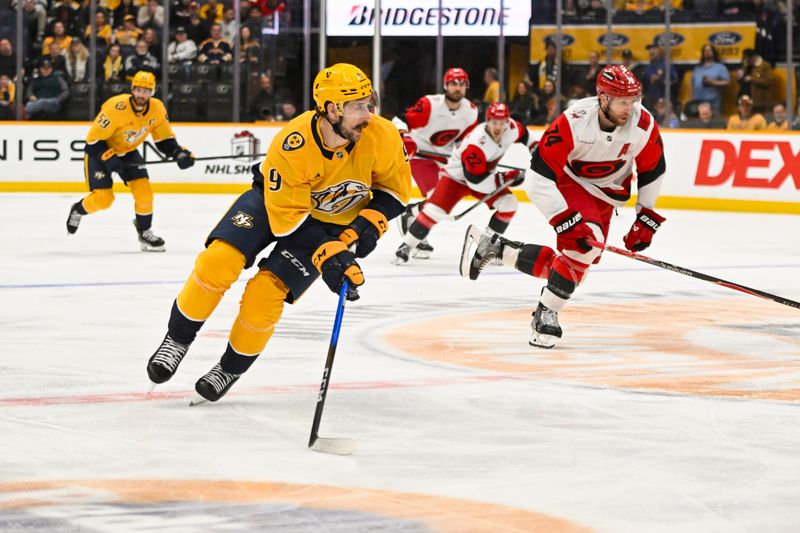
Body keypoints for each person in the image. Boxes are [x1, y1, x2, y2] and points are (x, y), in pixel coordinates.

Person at [145, 63, 410, 403]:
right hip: (274, 206)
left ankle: (230, 367)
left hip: (329, 223)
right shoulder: (293, 143)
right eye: (358, 107)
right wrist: (329, 252)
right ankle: (178, 338)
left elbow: (397, 191)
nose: (368, 114)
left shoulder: (382, 135)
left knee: (264, 295)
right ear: (331, 110)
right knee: (218, 261)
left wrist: (366, 226)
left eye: (369, 103)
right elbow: (288, 219)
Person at [461, 65, 666, 349]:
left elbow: (652, 169)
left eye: (633, 101)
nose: (629, 108)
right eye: (622, 101)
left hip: (607, 195)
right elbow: (538, 177)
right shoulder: (574, 121)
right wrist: (564, 220)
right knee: (584, 247)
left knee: (575, 267)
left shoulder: (643, 123)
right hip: (570, 183)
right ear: (603, 98)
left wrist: (645, 216)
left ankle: (497, 249)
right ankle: (546, 312)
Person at [65, 71, 195, 251]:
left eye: (147, 91)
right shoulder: (115, 107)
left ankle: (144, 231)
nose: (142, 95)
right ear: (133, 89)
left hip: (128, 151)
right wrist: (111, 161)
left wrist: (178, 153)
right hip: (101, 152)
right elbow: (92, 141)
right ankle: (78, 209)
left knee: (145, 192)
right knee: (104, 199)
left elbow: (164, 140)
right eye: (139, 90)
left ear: (153, 92)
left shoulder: (157, 109)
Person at [393, 102, 535, 264]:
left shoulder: (511, 129)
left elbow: (524, 133)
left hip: (483, 176)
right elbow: (476, 181)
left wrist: (534, 147)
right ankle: (406, 246)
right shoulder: (476, 143)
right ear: (487, 121)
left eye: (502, 123)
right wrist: (505, 178)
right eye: (495, 122)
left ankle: (489, 245)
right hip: (456, 179)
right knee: (433, 212)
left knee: (509, 204)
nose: (498, 127)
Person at [391, 67, 478, 259]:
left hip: (446, 160)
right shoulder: (430, 104)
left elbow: (464, 141)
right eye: (454, 83)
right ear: (445, 85)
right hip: (421, 155)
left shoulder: (470, 111)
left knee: (447, 197)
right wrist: (405, 138)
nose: (458, 88)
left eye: (462, 84)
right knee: (435, 198)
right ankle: (417, 232)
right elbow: (400, 119)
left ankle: (411, 213)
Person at [691, 44, 730, 114]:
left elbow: (727, 82)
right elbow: (693, 85)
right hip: (698, 103)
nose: (707, 52)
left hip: (713, 104)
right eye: (705, 50)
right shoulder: (697, 68)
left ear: (714, 53)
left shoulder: (720, 67)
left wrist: (712, 82)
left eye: (710, 50)